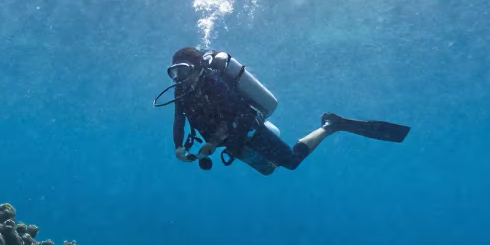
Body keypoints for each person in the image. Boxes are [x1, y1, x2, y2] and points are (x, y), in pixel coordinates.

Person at [154, 46, 410, 174]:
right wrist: (179, 146)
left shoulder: (214, 84)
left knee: (290, 162)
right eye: (174, 72)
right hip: (229, 140)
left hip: (248, 130)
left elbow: (235, 115)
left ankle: (331, 126)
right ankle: (328, 127)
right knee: (268, 170)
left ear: (198, 68)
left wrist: (212, 142)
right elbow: (179, 120)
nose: (179, 78)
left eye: (184, 71)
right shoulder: (181, 91)